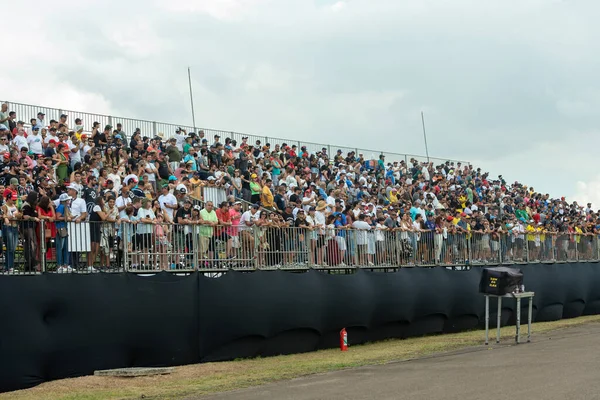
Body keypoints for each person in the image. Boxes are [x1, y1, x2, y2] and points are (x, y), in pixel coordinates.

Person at [21, 191, 40, 272]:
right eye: (36, 198)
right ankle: (32, 263)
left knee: (32, 245)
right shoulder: (26, 206)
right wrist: (33, 218)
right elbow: (25, 216)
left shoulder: (31, 206)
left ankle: (31, 263)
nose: (37, 199)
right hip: (27, 227)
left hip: (31, 227)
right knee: (33, 244)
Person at [2, 192, 20, 272]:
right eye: (13, 200)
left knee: (14, 247)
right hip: (8, 227)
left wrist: (17, 215)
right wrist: (13, 216)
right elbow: (4, 216)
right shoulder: (4, 206)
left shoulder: (15, 206)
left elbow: (20, 214)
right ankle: (9, 267)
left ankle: (10, 266)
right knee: (10, 247)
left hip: (15, 227)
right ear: (8, 199)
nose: (14, 201)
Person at [54, 193, 72, 273]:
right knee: (60, 247)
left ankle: (65, 265)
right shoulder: (61, 207)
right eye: (67, 200)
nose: (68, 201)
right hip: (60, 228)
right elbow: (57, 217)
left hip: (64, 227)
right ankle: (60, 265)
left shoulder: (66, 207)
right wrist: (66, 218)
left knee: (64, 247)